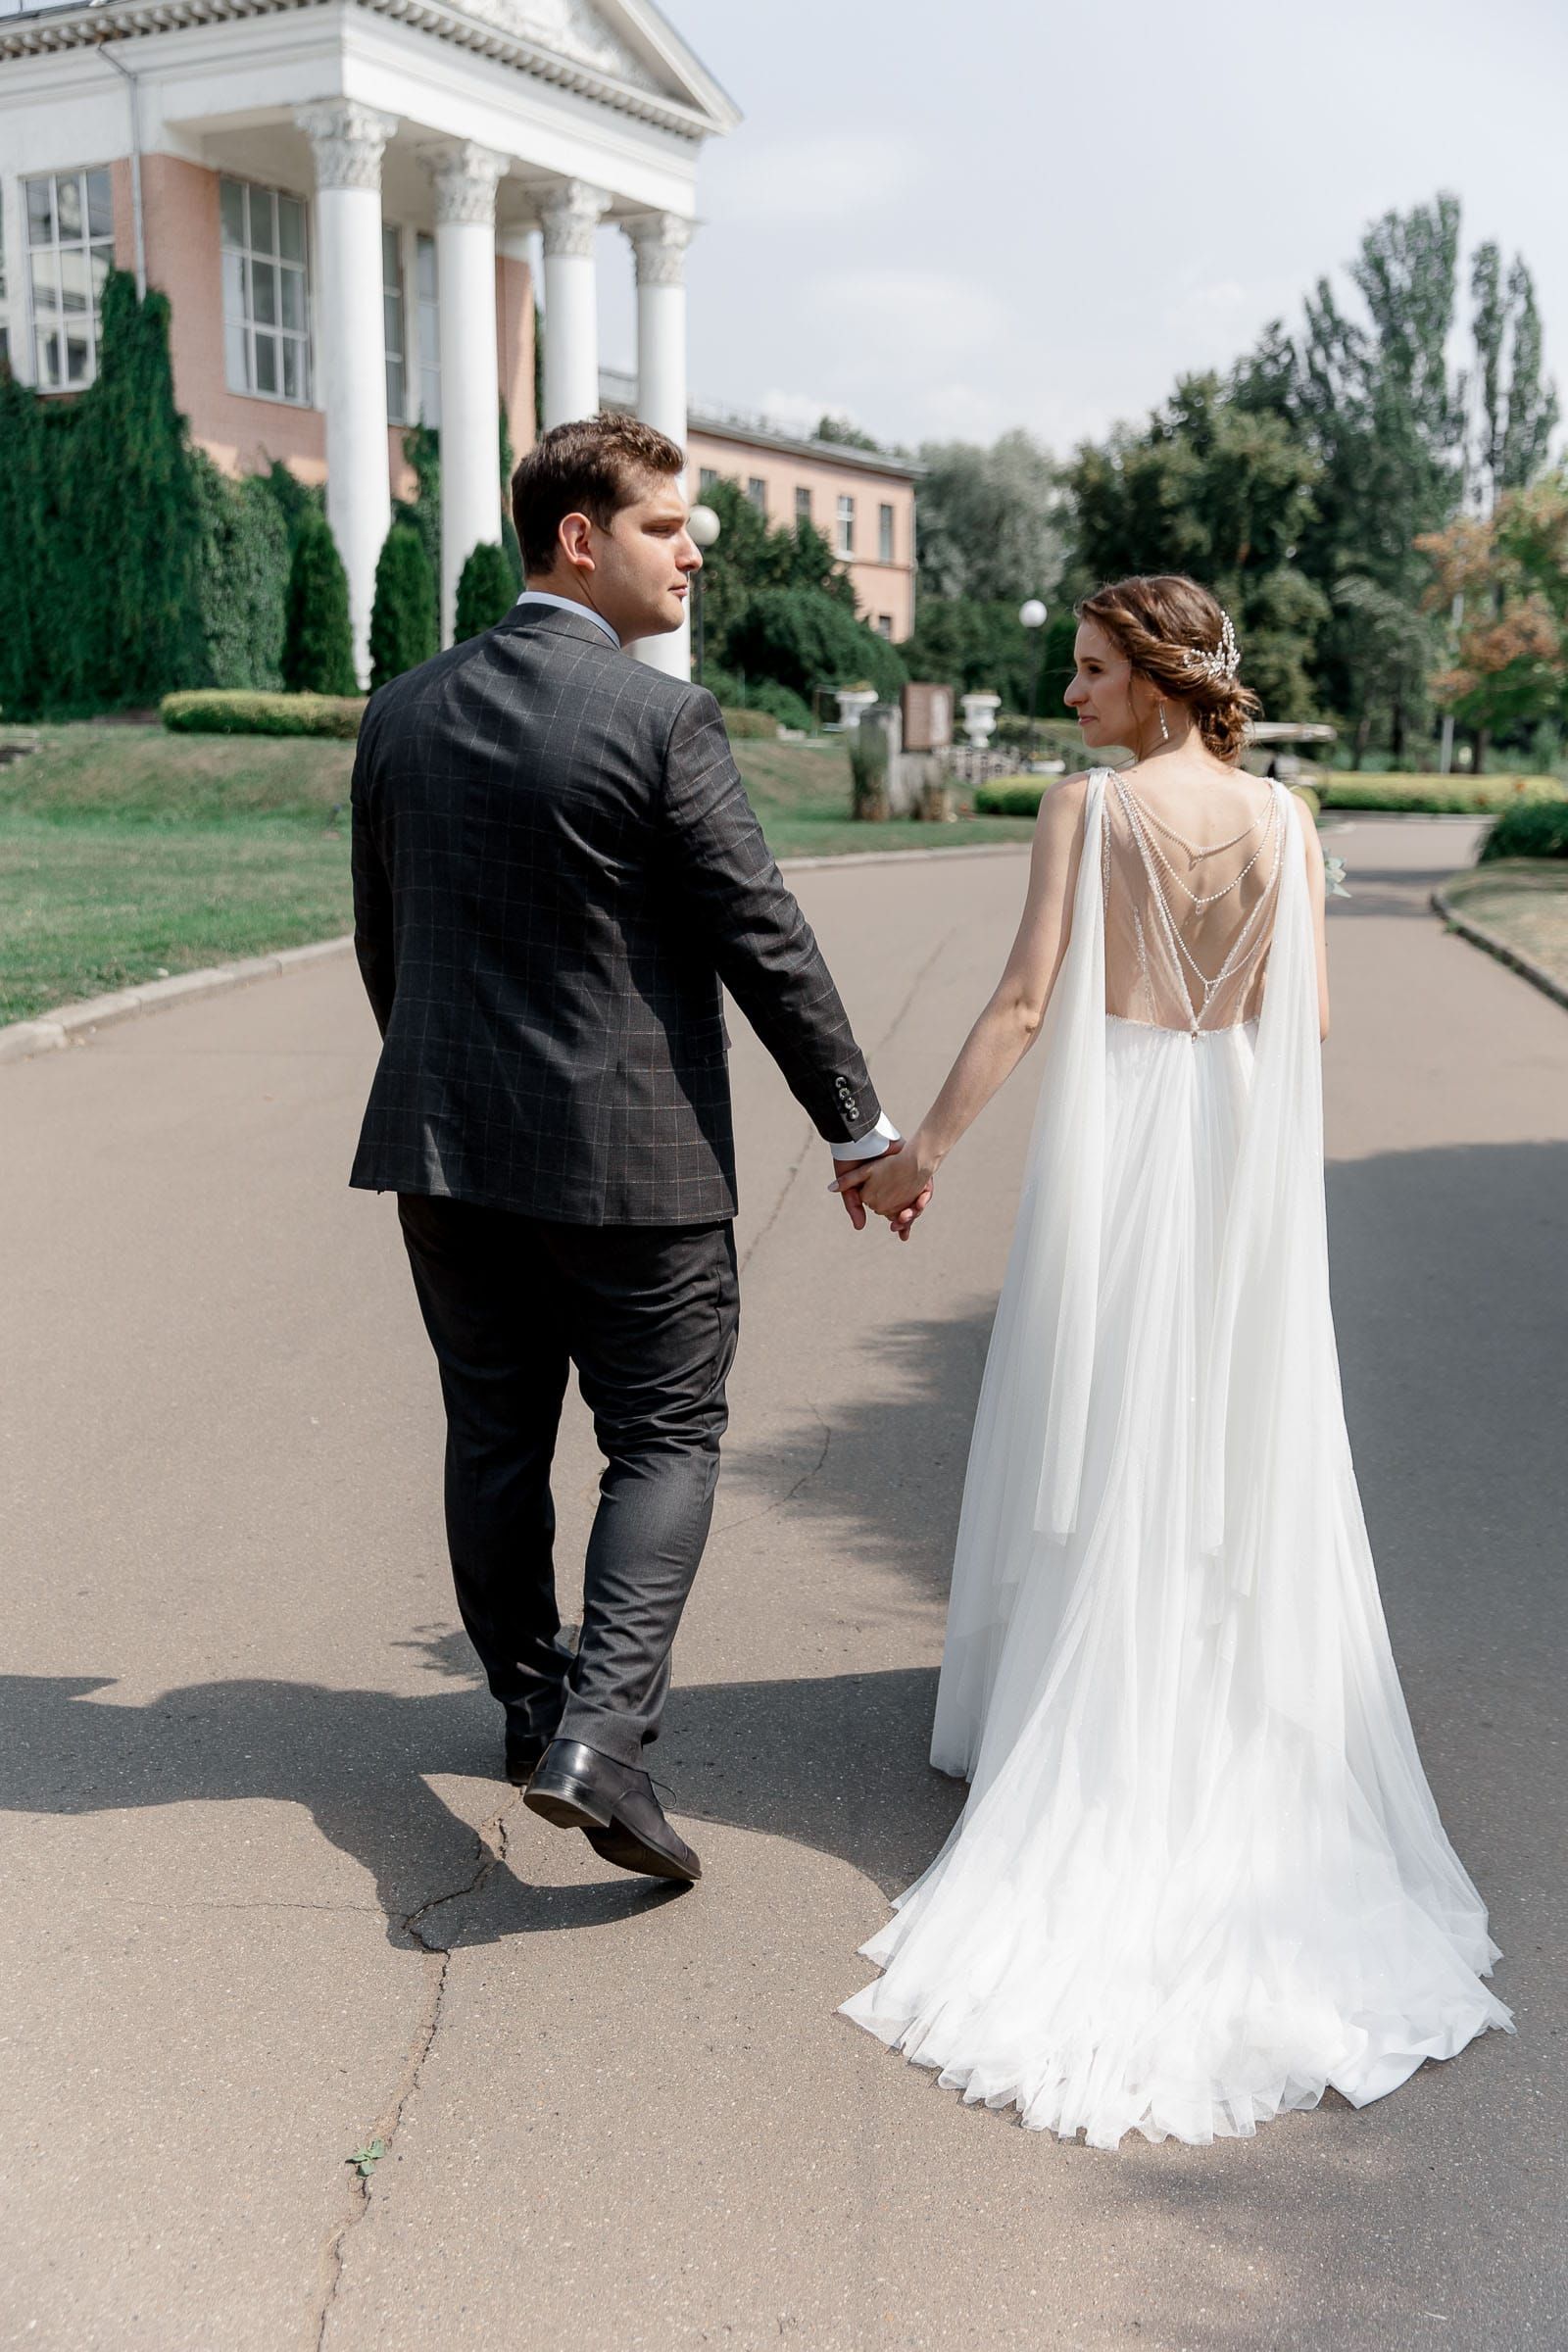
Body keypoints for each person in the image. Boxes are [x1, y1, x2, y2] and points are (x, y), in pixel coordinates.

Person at [834, 575, 1512, 2146]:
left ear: (1150, 682)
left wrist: (916, 1154)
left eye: (1086, 671)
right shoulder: (1288, 824)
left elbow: (1021, 1005)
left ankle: (1091, 1712)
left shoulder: (1087, 810)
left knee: (1103, 1420)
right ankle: (1212, 1699)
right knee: (1219, 1430)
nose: (1068, 695)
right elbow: (1311, 1024)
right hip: (1232, 1163)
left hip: (1126, 1153)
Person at [348, 416, 901, 1888]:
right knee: (665, 1437)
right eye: (669, 526)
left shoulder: (399, 710)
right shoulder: (663, 721)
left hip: (448, 1153)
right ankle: (601, 1740)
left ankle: (533, 1714)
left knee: (494, 1434)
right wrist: (860, 1129)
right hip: (636, 1168)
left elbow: (384, 951)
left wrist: (457, 1087)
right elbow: (763, 941)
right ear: (579, 539)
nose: (697, 549)